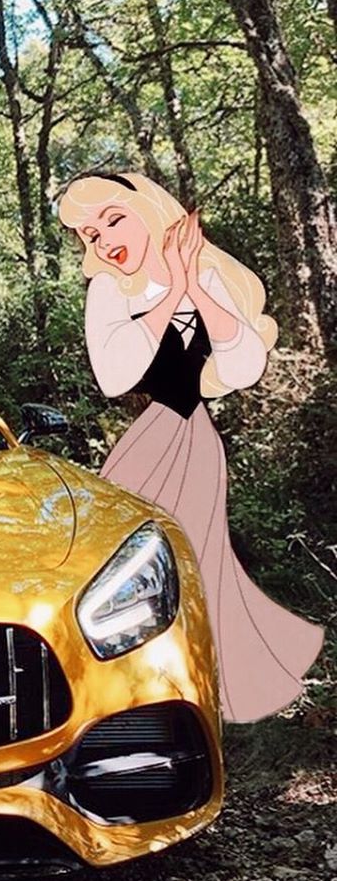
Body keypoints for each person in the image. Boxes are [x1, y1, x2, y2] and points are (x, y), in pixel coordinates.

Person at [58, 170, 324, 722]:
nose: (105, 241)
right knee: (125, 565)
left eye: (113, 220)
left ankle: (200, 685)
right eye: (90, 234)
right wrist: (174, 292)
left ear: (147, 210)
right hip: (148, 441)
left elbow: (243, 364)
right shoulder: (107, 291)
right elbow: (114, 375)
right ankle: (131, 687)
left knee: (200, 565)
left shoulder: (205, 274)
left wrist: (194, 286)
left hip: (195, 441)